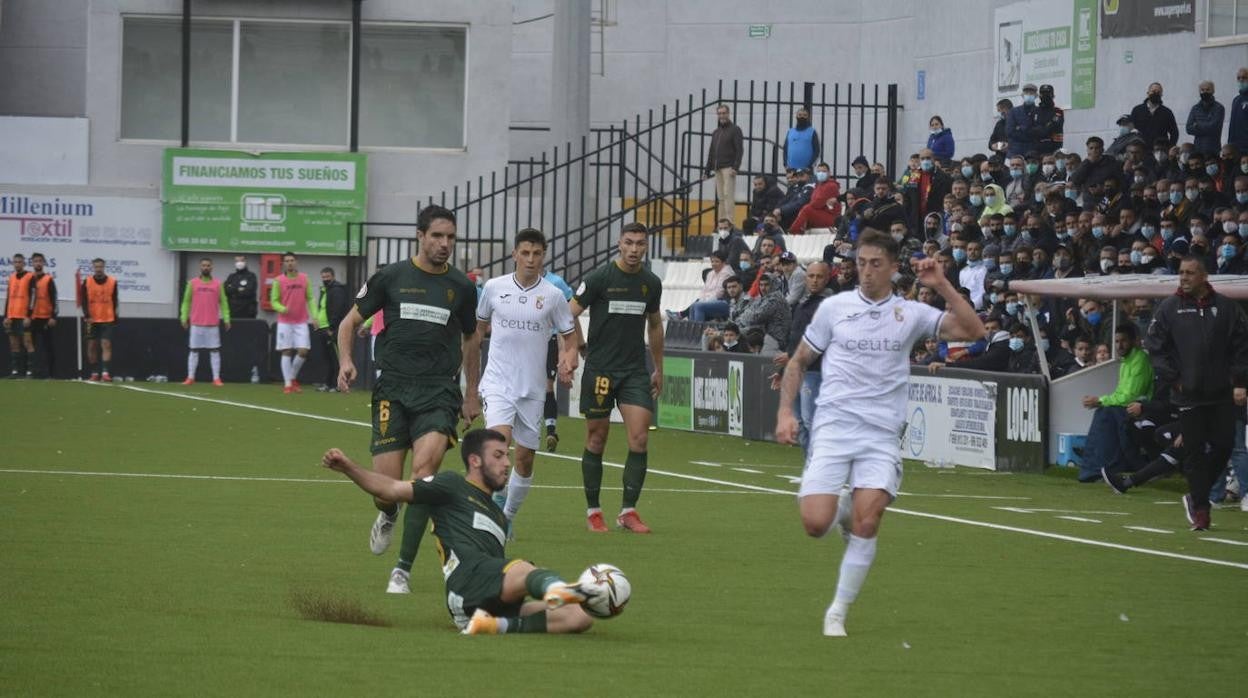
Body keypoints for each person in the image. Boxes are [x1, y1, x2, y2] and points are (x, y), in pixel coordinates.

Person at [776, 229, 984, 638]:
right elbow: (799, 361)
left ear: (892, 267)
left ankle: (837, 611)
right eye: (860, 263)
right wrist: (785, 411)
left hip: (881, 433)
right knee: (815, 525)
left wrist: (941, 284)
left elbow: (973, 331)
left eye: (875, 264)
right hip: (834, 428)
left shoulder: (910, 313)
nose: (866, 272)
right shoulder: (834, 308)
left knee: (869, 522)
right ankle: (840, 507)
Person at [335, 204, 481, 594]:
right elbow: (350, 322)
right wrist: (346, 360)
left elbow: (472, 337)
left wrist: (470, 393)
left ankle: (402, 570)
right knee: (386, 486)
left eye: (451, 237)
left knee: (424, 474)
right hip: (393, 389)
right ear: (420, 235)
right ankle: (387, 513)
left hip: (438, 391)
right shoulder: (391, 277)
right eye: (437, 236)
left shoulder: (463, 288)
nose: (445, 244)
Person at [321, 429, 595, 635]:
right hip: (467, 582)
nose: (507, 464)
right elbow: (391, 489)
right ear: (475, 461)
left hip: (487, 595)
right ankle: (567, 589)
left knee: (579, 617)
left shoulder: (499, 516)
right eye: (498, 456)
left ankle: (495, 626)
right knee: (525, 568)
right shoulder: (452, 484)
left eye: (507, 456)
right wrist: (349, 468)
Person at [476, 229, 578, 534]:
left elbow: (570, 338)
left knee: (524, 457)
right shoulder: (494, 288)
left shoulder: (554, 295)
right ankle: (491, 511)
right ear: (514, 255)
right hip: (497, 383)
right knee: (497, 446)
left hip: (532, 389)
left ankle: (507, 515)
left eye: (536, 254)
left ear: (543, 255)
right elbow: (477, 331)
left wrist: (568, 357)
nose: (530, 259)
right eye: (525, 253)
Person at [569, 222, 663, 534]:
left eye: (640, 243)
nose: (635, 249)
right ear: (619, 244)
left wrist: (658, 367)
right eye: (629, 242)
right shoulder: (600, 277)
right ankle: (594, 511)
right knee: (597, 438)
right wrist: (577, 346)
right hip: (601, 371)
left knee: (639, 438)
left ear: (646, 246)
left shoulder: (651, 283)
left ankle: (628, 511)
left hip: (635, 371)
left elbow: (654, 325)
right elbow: (567, 313)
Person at [1145, 256, 1248, 530]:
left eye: (1190, 273)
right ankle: (1201, 509)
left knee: (1225, 446)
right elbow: (1155, 346)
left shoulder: (1227, 308)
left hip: (1221, 392)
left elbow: (1241, 345)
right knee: (1193, 453)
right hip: (1187, 394)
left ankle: (1196, 494)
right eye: (1180, 272)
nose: (1184, 277)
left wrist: (1239, 381)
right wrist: (1174, 378)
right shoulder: (1168, 308)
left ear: (1204, 276)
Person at [1075, 324, 1154, 483]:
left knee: (1107, 414)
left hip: (1142, 409)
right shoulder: (1125, 362)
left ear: (1134, 340)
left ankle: (1105, 468)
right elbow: (1120, 394)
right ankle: (1093, 468)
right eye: (1117, 341)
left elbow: (1130, 396)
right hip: (1127, 408)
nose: (1119, 345)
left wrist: (1101, 400)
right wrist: (1102, 402)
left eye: (1123, 341)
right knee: (1103, 412)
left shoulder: (1140, 360)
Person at [770, 262, 831, 452]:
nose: (814, 280)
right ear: (805, 278)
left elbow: (823, 343)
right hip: (797, 372)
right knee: (801, 424)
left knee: (811, 422)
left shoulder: (829, 306)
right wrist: (783, 370)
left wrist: (791, 358)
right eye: (811, 276)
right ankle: (811, 467)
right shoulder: (802, 305)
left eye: (819, 276)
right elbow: (794, 340)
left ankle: (821, 469)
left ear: (827, 279)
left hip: (815, 372)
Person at [179, 258, 230, 386]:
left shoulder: (218, 284)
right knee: (194, 350)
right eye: (203, 265)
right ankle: (190, 377)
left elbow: (223, 303)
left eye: (208, 265)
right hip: (196, 323)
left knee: (214, 351)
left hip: (212, 324)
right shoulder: (192, 283)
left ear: (211, 268)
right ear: (200, 267)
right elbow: (186, 302)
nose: (205, 267)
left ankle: (216, 378)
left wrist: (227, 318)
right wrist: (184, 317)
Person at [542, 266, 576, 449]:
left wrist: (576, 347)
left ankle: (550, 431)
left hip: (551, 339)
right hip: (529, 340)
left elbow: (572, 314)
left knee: (547, 386)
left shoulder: (556, 283)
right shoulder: (515, 283)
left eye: (536, 253)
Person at [270, 252, 315, 394]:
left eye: (292, 260)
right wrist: (282, 308)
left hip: (301, 321)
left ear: (296, 262)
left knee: (303, 351)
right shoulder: (278, 281)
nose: (290, 263)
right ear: (283, 264)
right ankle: (288, 384)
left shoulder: (304, 278)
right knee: (287, 351)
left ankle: (292, 377)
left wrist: (315, 316)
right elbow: (274, 301)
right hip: (285, 322)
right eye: (287, 261)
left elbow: (310, 298)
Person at [81, 258, 118, 382]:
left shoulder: (112, 282)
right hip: (92, 319)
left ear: (104, 267)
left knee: (106, 344)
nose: (98, 269)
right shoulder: (87, 282)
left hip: (107, 318)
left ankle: (105, 372)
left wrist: (115, 316)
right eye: (96, 267)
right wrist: (86, 315)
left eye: (100, 267)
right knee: (91, 346)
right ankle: (95, 372)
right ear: (93, 268)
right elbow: (84, 300)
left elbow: (115, 300)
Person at [706, 104, 744, 223]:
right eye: (719, 113)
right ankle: (721, 223)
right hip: (717, 168)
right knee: (721, 197)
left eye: (724, 113)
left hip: (729, 167)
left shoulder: (735, 129)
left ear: (728, 114)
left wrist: (735, 167)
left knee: (728, 196)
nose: (722, 115)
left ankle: (730, 222)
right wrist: (707, 170)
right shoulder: (716, 132)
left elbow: (739, 149)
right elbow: (711, 151)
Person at [315, 267, 349, 392]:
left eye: (327, 277)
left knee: (335, 358)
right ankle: (328, 383)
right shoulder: (325, 290)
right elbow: (323, 308)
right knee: (327, 358)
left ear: (333, 277)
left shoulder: (336, 290)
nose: (325, 279)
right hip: (323, 328)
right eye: (323, 277)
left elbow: (337, 310)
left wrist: (332, 327)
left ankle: (337, 384)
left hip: (331, 329)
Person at [26, 253, 57, 379]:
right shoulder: (29, 279)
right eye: (35, 261)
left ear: (43, 263)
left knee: (47, 347)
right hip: (32, 318)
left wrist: (53, 316)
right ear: (32, 263)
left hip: (45, 318)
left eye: (40, 261)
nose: (38, 263)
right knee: (29, 345)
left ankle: (50, 374)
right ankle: (31, 372)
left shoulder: (48, 279)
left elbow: (54, 298)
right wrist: (26, 316)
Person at [4, 253, 34, 377]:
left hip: (24, 316)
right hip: (12, 316)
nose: (17, 264)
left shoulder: (30, 277)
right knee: (13, 344)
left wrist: (29, 315)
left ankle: (29, 371)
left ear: (24, 263)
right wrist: (6, 315)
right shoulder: (11, 277)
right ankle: (15, 371)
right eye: (15, 262)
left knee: (27, 343)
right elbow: (8, 298)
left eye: (20, 262)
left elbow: (33, 297)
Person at [1130, 83, 1180, 150]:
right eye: (1153, 91)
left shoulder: (1167, 112)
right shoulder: (1137, 110)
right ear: (1148, 93)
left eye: (1158, 92)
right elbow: (1131, 130)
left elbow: (1174, 133)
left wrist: (1170, 148)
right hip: (1141, 151)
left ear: (1161, 95)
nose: (1155, 93)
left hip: (1161, 151)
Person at [1186, 80, 1225, 159]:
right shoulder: (1195, 108)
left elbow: (1214, 128)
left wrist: (1197, 125)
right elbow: (1188, 128)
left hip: (1213, 150)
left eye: (1208, 90)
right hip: (1198, 150)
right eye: (1202, 90)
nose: (1205, 92)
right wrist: (1207, 126)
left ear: (1213, 91)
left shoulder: (1219, 108)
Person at [784, 108, 821, 172]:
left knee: (808, 182)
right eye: (800, 115)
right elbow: (785, 149)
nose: (802, 117)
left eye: (804, 115)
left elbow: (817, 150)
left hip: (806, 170)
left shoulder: (812, 132)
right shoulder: (790, 132)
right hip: (791, 170)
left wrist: (810, 166)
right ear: (796, 117)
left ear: (808, 117)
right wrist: (785, 165)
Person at [224, 255, 258, 319]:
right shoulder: (231, 276)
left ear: (245, 262)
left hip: (248, 312)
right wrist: (239, 289)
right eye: (237, 261)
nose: (239, 263)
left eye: (241, 261)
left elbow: (249, 292)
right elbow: (226, 290)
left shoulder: (251, 276)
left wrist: (233, 289)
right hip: (233, 311)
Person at [1231, 67, 1248, 155]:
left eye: (1244, 77)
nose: (1241, 80)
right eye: (1239, 78)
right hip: (1236, 148)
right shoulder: (1236, 100)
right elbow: (1232, 124)